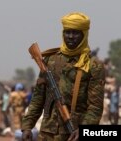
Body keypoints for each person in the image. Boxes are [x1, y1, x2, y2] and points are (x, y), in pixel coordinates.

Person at [21, 12, 105, 141]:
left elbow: (95, 107)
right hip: (47, 133)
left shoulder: (93, 65)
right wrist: (27, 126)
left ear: (84, 35)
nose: (70, 36)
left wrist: (84, 130)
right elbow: (38, 97)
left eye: (76, 33)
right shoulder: (50, 60)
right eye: (67, 32)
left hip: (73, 133)